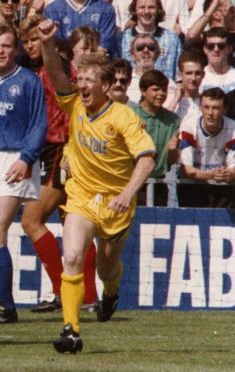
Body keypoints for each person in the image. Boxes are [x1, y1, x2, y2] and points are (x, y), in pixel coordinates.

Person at [38, 18, 156, 353]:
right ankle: (71, 331)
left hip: (116, 202)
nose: (83, 84)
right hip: (81, 196)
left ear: (105, 86)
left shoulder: (123, 117)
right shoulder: (74, 101)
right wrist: (47, 43)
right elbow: (56, 75)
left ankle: (111, 293)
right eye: (82, 78)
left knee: (106, 268)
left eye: (91, 79)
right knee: (72, 255)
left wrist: (126, 193)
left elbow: (146, 158)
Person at [18, 14, 99, 314]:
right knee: (71, 223)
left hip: (61, 148)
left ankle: (61, 290)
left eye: (34, 40)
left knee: (31, 220)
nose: (29, 46)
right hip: (58, 150)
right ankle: (88, 297)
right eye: (25, 42)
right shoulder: (38, 69)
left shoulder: (58, 66)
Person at [0, 24, 47, 324]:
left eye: (6, 46)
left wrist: (26, 158)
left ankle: (6, 307)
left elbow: (40, 124)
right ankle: (3, 304)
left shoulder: (29, 82)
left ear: (15, 49)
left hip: (16, 158)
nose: (1, 51)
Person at [178, 87, 235, 208]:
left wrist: (227, 174)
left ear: (225, 109)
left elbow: (234, 168)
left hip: (223, 188)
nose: (210, 113)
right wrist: (212, 175)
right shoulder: (189, 127)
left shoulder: (233, 128)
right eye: (206, 107)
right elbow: (187, 170)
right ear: (200, 107)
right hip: (193, 187)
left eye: (215, 108)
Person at [133, 70, 180, 206]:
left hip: (159, 183)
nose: (161, 94)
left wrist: (172, 150)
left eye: (164, 90)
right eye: (155, 89)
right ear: (143, 91)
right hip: (132, 181)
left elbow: (171, 161)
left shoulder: (172, 120)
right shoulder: (130, 115)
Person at [120, 0, 182, 80]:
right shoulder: (123, 39)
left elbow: (179, 74)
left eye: (151, 7)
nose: (146, 11)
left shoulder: (172, 38)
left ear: (158, 10)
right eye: (142, 7)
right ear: (135, 10)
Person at [43, 0, 119, 58]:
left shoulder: (105, 9)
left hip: (95, 69)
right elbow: (56, 49)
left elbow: (104, 47)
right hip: (65, 68)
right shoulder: (53, 9)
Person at [171, 50, 205, 121]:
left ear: (203, 75)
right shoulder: (170, 98)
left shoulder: (206, 102)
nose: (193, 78)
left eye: (197, 73)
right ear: (180, 75)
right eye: (189, 73)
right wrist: (175, 100)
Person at [199, 27, 235, 94]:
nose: (216, 49)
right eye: (211, 46)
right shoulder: (198, 77)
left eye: (221, 46)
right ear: (205, 49)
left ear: (229, 49)